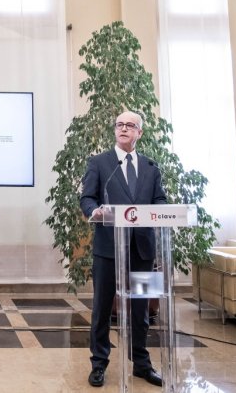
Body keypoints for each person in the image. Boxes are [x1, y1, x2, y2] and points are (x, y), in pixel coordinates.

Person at [80, 110, 167, 388]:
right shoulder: (100, 163)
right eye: (120, 125)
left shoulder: (151, 167)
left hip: (143, 250)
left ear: (139, 132)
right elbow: (87, 198)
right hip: (108, 249)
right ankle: (99, 364)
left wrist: (164, 214)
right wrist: (94, 211)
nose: (124, 129)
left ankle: (141, 363)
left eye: (130, 125)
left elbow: (160, 201)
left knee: (141, 310)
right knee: (102, 308)